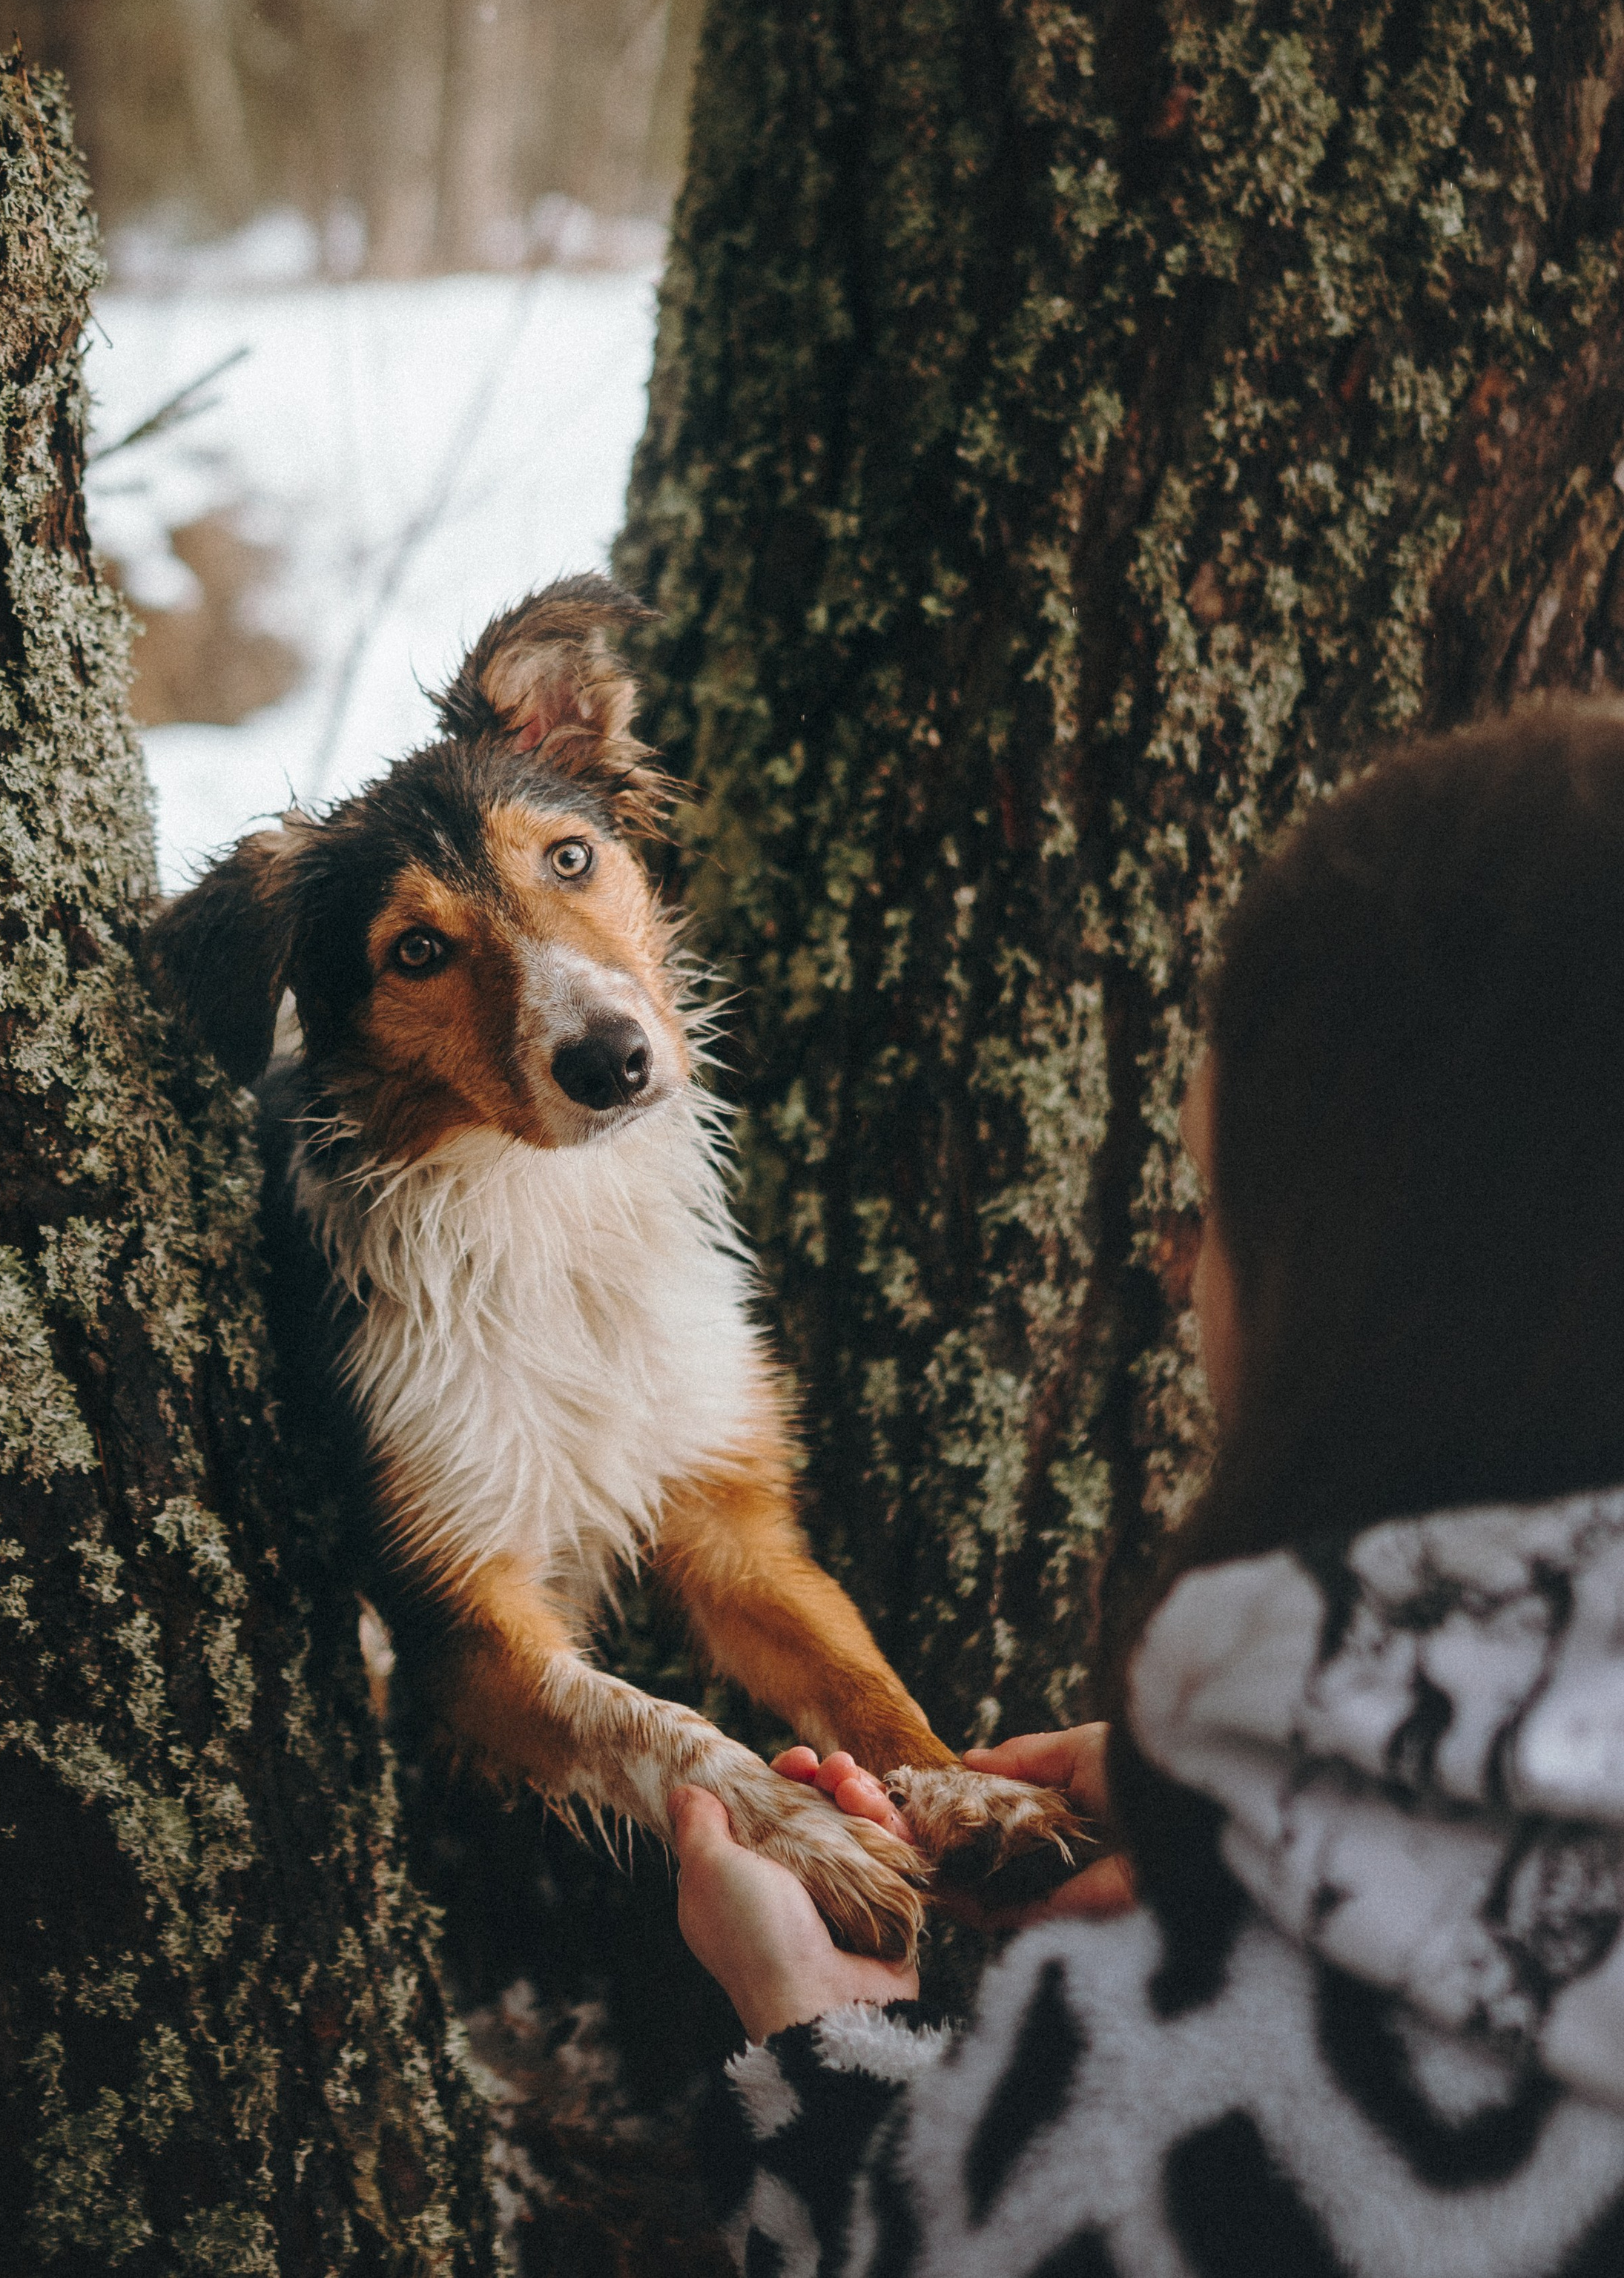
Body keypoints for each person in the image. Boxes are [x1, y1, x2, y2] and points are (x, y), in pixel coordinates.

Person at [672, 701, 1624, 2277]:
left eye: (1212, 1200)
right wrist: (1347, 1807)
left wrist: (821, 2052)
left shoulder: (1172, 2125)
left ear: (1381, 1291)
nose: (1177, 1278)